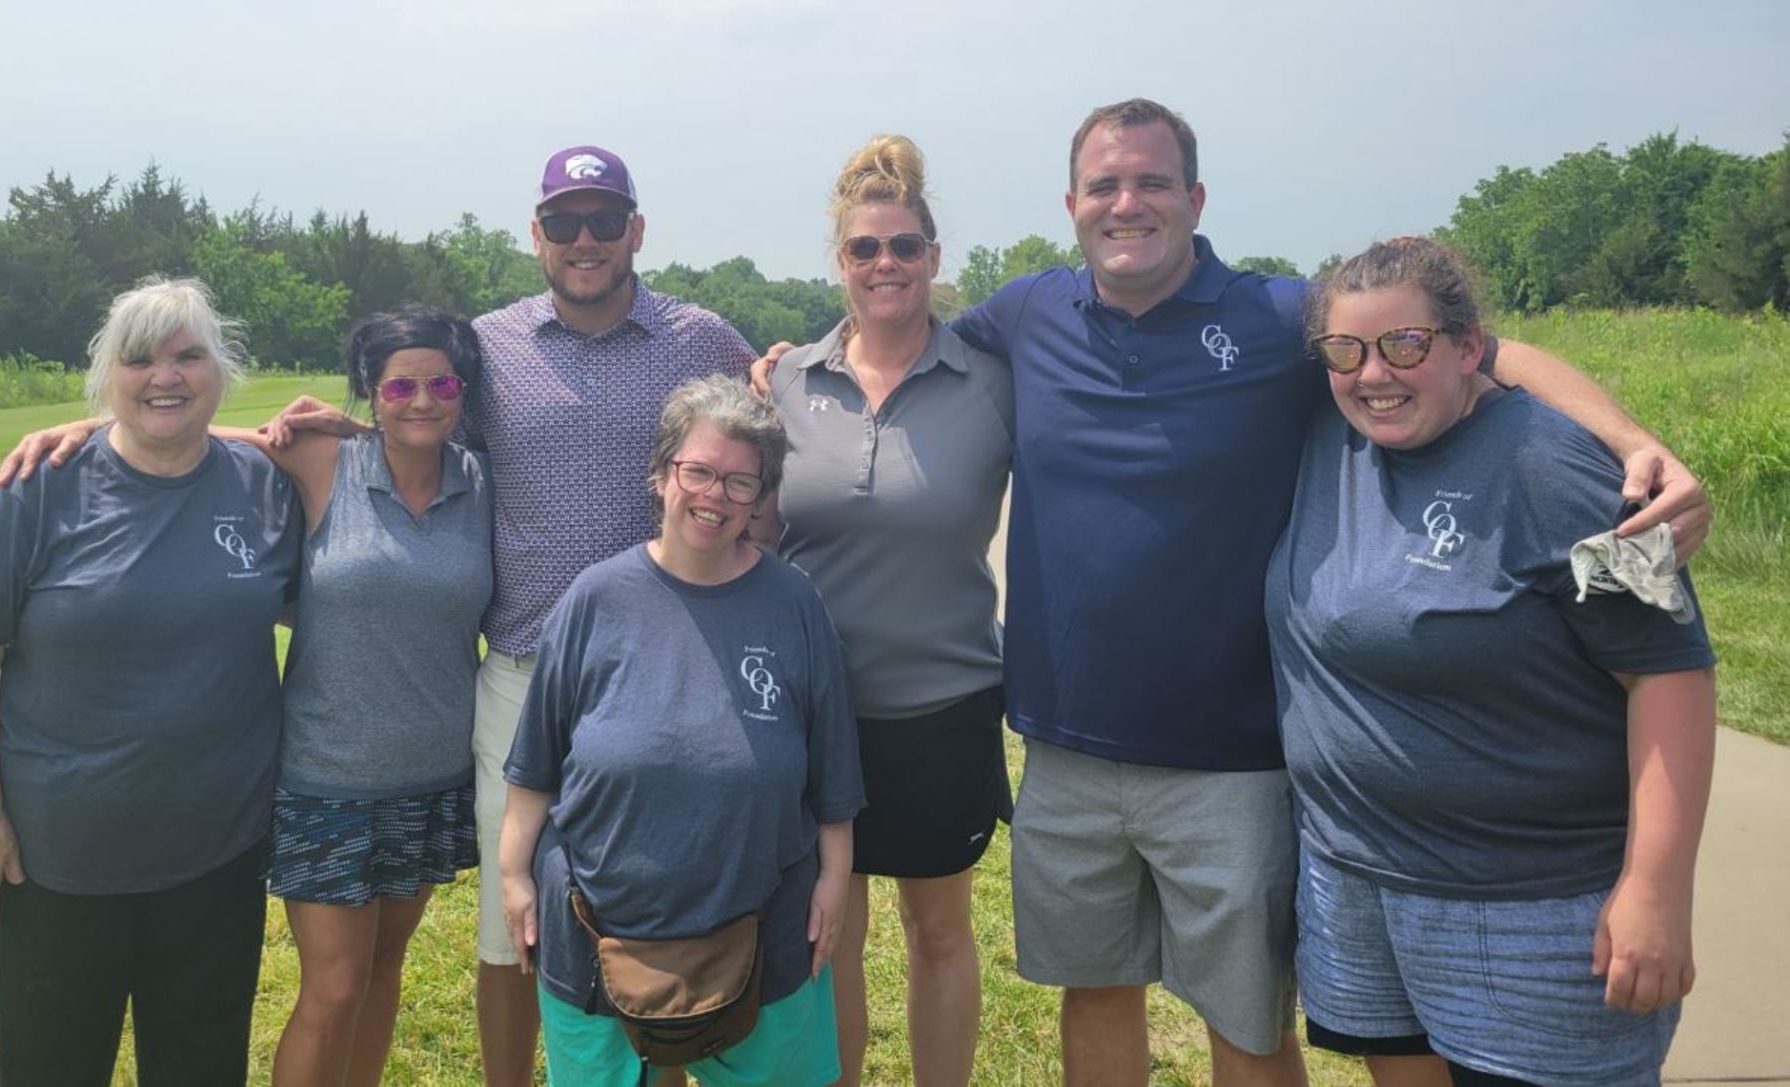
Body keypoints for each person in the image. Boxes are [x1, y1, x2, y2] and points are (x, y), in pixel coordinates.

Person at [945, 98, 1713, 1087]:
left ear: (1196, 198)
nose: (1126, 202)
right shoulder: (1029, 310)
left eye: (1152, 182)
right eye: (1105, 185)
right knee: (1096, 992)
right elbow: (904, 349)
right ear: (1072, 202)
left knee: (1247, 1021)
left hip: (1251, 766)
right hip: (1080, 752)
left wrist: (1630, 440)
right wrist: (790, 363)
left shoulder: (1282, 320)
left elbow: (1465, 348)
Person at [0, 146, 758, 1087]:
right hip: (513, 682)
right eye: (564, 222)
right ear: (538, 236)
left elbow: (757, 436)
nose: (586, 239)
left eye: (605, 220)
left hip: (649, 676)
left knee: (644, 910)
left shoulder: (706, 340)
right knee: (495, 933)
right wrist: (111, 428)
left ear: (637, 229)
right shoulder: (493, 346)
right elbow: (335, 436)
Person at [1266, 238, 1716, 1087]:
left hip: (1533, 912)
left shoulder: (1563, 465)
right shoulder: (1336, 433)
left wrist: (1656, 886)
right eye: (1347, 350)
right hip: (1356, 886)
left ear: (1469, 347)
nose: (1374, 372)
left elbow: (1672, 671)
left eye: (1407, 344)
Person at [0, 277, 300, 1086]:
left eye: (187, 356)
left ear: (221, 369)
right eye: (139, 360)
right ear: (108, 376)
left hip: (219, 857)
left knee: (201, 1068)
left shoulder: (262, 487)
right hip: (58, 864)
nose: (163, 376)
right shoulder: (37, 489)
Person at [498, 375, 865, 1087]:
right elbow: (535, 765)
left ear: (761, 497)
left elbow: (833, 771)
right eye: (697, 470)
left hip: (766, 920)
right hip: (596, 925)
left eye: (739, 481)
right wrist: (514, 876)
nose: (714, 495)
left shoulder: (794, 603)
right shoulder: (593, 598)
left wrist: (836, 878)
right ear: (662, 472)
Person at [766, 134, 1012, 1087]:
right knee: (834, 928)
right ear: (840, 261)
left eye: (904, 247)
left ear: (934, 257)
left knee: (939, 930)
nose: (885, 265)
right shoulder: (789, 380)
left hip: (944, 705)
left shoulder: (989, 382)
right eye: (865, 248)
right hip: (814, 711)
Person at [262, 308, 492, 1087]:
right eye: (399, 384)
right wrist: (80, 426)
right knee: (331, 987)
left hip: (431, 778)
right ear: (371, 390)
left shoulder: (482, 482)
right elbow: (188, 435)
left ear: (462, 391)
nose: (421, 399)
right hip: (329, 779)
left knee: (384, 969)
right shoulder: (325, 462)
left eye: (440, 383)